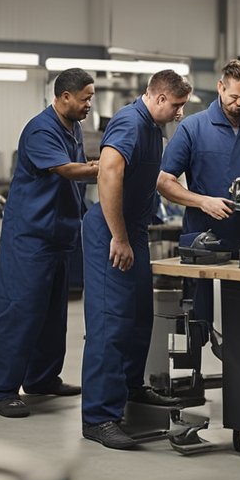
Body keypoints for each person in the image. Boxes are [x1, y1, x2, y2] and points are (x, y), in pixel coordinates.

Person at [82, 70, 190, 450]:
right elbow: (108, 174)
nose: (180, 113)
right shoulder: (129, 122)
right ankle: (99, 417)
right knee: (111, 322)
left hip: (134, 232)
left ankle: (130, 389)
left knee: (138, 317)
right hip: (112, 233)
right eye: (176, 106)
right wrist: (120, 237)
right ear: (159, 98)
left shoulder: (153, 129)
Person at [0, 68, 99, 418]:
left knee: (54, 314)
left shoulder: (75, 126)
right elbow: (67, 170)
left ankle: (42, 378)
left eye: (91, 99)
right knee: (20, 312)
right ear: (64, 96)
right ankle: (6, 390)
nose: (88, 106)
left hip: (60, 234)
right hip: (31, 238)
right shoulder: (40, 129)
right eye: (85, 99)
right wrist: (107, 166)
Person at [157, 59, 240, 322]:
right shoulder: (193, 127)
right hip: (205, 240)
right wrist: (203, 202)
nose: (238, 103)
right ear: (220, 88)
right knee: (203, 319)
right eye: (234, 96)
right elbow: (164, 181)